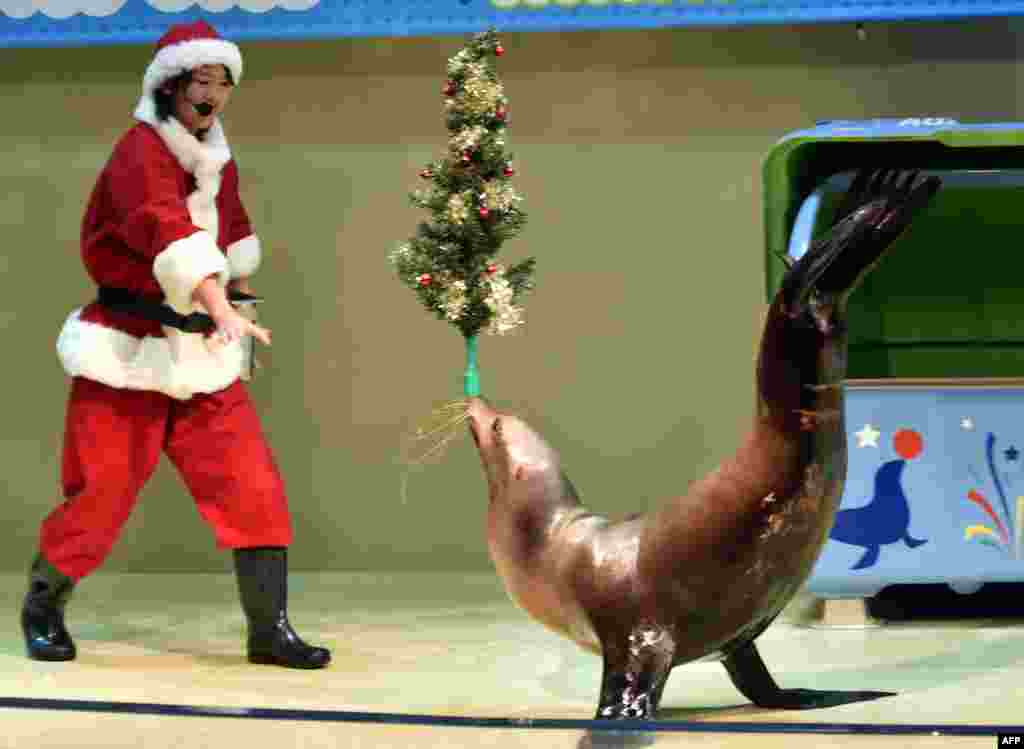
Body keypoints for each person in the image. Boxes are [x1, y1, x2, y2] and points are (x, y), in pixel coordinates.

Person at [20, 20, 330, 670]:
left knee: (254, 488)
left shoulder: (215, 157)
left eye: (222, 82)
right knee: (100, 497)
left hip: (199, 359)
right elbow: (168, 235)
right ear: (170, 85)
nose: (212, 94)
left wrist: (239, 314)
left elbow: (233, 235)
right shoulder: (138, 153)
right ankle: (43, 603)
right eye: (200, 80)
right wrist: (220, 307)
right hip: (127, 355)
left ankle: (268, 629)